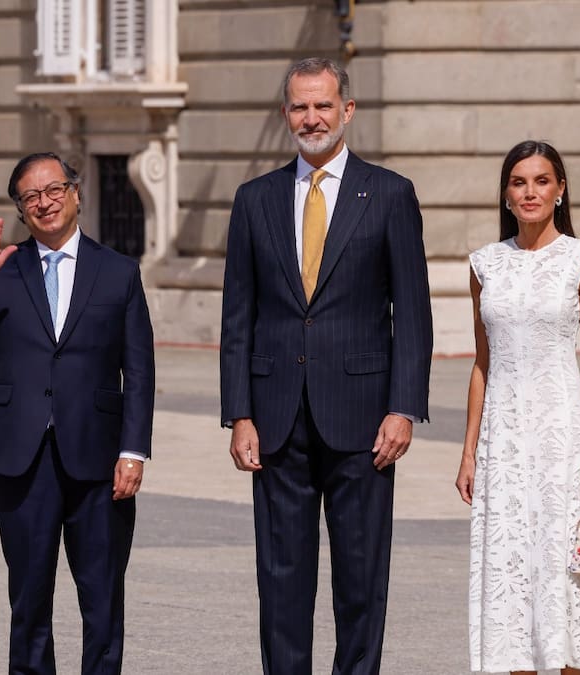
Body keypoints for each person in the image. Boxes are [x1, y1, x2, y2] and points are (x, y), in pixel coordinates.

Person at [220, 57, 434, 674]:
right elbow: (238, 316)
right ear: (285, 114)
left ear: (347, 110)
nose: (311, 118)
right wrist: (239, 413)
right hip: (276, 417)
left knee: (361, 577)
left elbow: (412, 312)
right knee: (280, 578)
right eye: (299, 107)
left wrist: (403, 408)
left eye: (322, 105)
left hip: (364, 419)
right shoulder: (254, 199)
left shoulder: (389, 194)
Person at [0, 152, 155, 675]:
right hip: (21, 457)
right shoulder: (3, 269)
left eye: (54, 190)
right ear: (20, 208)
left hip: (100, 460)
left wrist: (133, 451)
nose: (44, 203)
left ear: (75, 193)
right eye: (30, 196)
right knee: (29, 596)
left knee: (102, 597)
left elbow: (139, 369)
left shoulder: (118, 271)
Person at [455, 140, 580, 674]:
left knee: (563, 569)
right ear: (506, 194)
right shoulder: (484, 265)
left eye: (542, 181)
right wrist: (469, 452)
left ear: (560, 190)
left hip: (563, 436)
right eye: (519, 182)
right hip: (502, 439)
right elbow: (482, 364)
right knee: (511, 567)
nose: (530, 192)